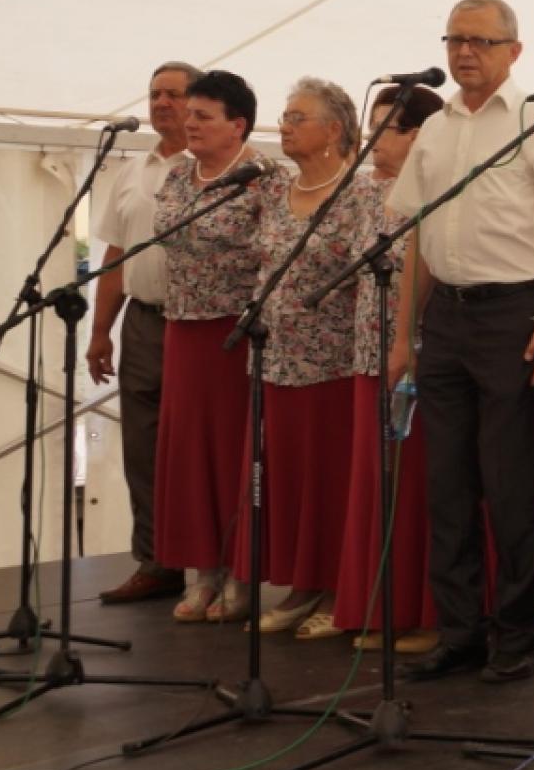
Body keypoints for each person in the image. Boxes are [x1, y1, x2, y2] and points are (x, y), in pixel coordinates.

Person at [387, 0, 534, 684]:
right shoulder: (436, 127)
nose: (464, 52)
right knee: (447, 485)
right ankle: (460, 632)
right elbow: (417, 234)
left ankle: (517, 632)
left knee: (509, 484)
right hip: (446, 317)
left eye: (480, 41)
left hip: (516, 312)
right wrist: (404, 336)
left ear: (514, 51)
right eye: (455, 38)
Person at [238, 79, 371, 639]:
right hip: (275, 359)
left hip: (332, 362)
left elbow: (370, 277)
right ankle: (301, 584)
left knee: (330, 481)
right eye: (285, 116)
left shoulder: (362, 194)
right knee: (289, 479)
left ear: (334, 130)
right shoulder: (275, 191)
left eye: (298, 118)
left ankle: (339, 590)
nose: (284, 126)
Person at [152, 69, 268, 623]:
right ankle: (203, 573)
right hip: (183, 327)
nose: (190, 123)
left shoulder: (264, 177)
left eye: (203, 116)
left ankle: (241, 575)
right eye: (189, 114)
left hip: (236, 332)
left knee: (232, 453)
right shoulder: (178, 175)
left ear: (237, 125)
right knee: (190, 453)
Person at [333, 85, 445, 653]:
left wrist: (407, 341)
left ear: (418, 135)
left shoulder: (438, 189)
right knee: (377, 483)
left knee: (417, 483)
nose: (373, 142)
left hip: (421, 351)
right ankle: (380, 608)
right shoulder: (362, 192)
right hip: (368, 351)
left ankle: (427, 612)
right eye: (371, 129)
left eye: (386, 129)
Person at [88, 61, 198, 604]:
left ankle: (217, 564)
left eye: (173, 94)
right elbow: (115, 254)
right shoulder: (133, 171)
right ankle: (157, 562)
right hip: (144, 321)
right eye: (155, 94)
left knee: (199, 445)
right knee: (143, 446)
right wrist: (100, 331)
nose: (161, 103)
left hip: (201, 326)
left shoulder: (217, 167)